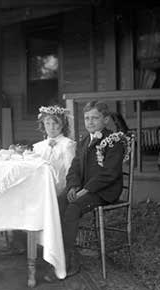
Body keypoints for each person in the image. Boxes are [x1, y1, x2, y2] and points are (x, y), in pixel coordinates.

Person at [59, 101, 128, 279]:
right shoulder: (84, 141)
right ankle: (63, 252)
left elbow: (109, 173)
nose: (90, 122)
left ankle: (69, 262)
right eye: (87, 118)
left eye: (95, 118)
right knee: (58, 202)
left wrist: (86, 190)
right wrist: (74, 186)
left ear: (105, 120)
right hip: (84, 190)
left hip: (104, 191)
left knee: (73, 208)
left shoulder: (114, 141)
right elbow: (74, 168)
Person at [33, 105, 76, 194]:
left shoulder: (67, 144)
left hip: (61, 188)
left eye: (55, 123)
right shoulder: (38, 147)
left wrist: (69, 189)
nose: (51, 127)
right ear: (43, 125)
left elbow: (70, 168)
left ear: (62, 125)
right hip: (41, 188)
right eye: (48, 123)